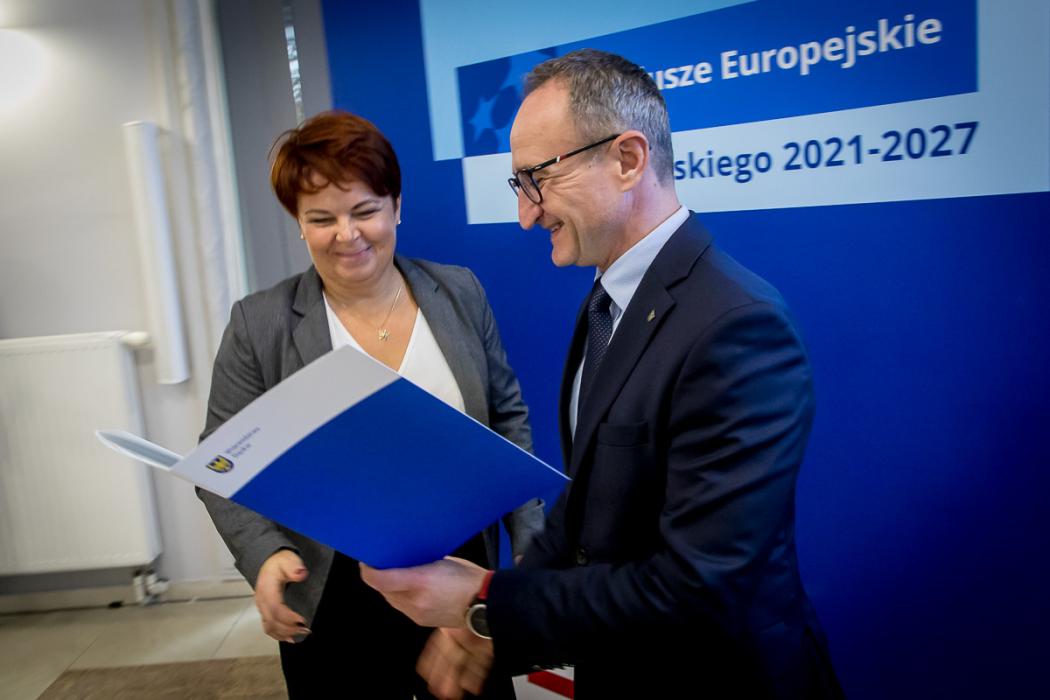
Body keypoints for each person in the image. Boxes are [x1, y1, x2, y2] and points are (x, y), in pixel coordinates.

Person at [361, 49, 844, 699]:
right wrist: (493, 613)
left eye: (538, 178)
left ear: (627, 159)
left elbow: (698, 588)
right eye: (518, 185)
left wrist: (488, 601)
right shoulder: (606, 303)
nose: (526, 214)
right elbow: (589, 503)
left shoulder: (738, 327)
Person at [196, 110, 543, 699]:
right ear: (299, 224)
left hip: (458, 578)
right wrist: (265, 555)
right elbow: (220, 462)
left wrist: (530, 561)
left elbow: (508, 422)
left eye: (364, 211)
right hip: (330, 585)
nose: (347, 234)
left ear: (396, 206)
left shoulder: (459, 292)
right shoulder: (260, 323)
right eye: (321, 218)